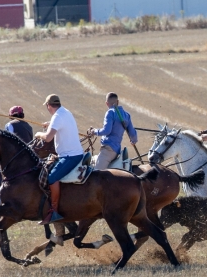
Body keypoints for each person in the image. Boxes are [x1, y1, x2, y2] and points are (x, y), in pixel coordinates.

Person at [34, 94, 84, 224]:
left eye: (47, 106)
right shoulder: (65, 112)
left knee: (52, 178)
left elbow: (48, 138)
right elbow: (60, 123)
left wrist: (39, 134)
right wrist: (50, 124)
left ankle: (54, 210)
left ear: (48, 106)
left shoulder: (57, 116)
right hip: (75, 154)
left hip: (69, 156)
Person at [88, 92, 138, 170]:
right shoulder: (126, 115)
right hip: (116, 150)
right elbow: (133, 134)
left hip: (108, 150)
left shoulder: (110, 112)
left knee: (95, 174)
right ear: (118, 102)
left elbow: (107, 131)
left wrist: (95, 131)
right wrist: (133, 140)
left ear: (106, 103)